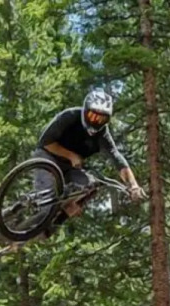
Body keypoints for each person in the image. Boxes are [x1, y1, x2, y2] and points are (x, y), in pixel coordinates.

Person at [28, 89, 145, 237]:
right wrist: (71, 155)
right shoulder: (69, 117)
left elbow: (117, 158)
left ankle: (60, 217)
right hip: (47, 157)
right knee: (48, 204)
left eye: (101, 119)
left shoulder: (102, 135)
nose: (95, 121)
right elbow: (45, 143)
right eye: (92, 116)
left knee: (91, 185)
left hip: (70, 168)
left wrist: (133, 186)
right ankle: (27, 226)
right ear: (85, 110)